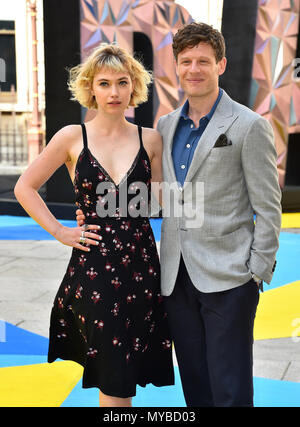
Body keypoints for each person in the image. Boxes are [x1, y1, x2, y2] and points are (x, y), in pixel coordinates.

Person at [77, 23, 282, 407]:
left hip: (230, 277)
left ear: (221, 64)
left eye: (203, 61)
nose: (194, 69)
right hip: (174, 279)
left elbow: (269, 208)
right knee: (195, 384)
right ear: (176, 66)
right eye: (185, 61)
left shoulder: (249, 126)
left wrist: (255, 273)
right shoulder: (166, 127)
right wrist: (96, 208)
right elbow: (160, 198)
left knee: (231, 388)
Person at [14, 43, 174, 407]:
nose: (114, 92)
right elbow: (25, 187)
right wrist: (61, 231)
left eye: (122, 82)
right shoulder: (72, 137)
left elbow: (159, 204)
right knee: (114, 376)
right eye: (104, 83)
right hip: (95, 267)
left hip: (141, 267)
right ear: (90, 88)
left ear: (134, 86)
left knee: (123, 376)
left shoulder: (151, 139)